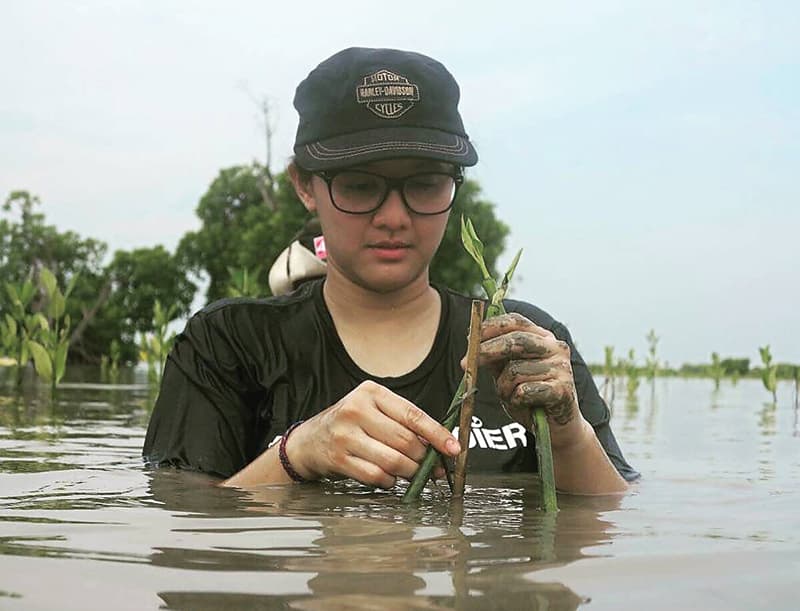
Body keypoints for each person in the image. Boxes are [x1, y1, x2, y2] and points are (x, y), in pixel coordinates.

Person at [143, 47, 639, 493]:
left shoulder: (524, 345)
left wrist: (566, 428)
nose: (394, 217)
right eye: (359, 185)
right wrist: (296, 455)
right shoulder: (227, 344)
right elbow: (182, 527)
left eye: (424, 184)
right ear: (305, 185)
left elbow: (613, 519)